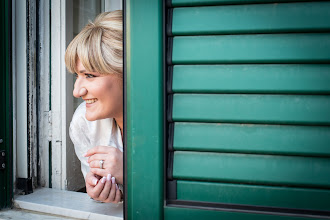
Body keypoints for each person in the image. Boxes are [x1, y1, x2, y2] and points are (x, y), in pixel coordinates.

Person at [65, 10, 123, 203]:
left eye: (89, 75)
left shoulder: (177, 124)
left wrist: (133, 174)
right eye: (77, 75)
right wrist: (103, 191)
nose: (77, 91)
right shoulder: (83, 122)